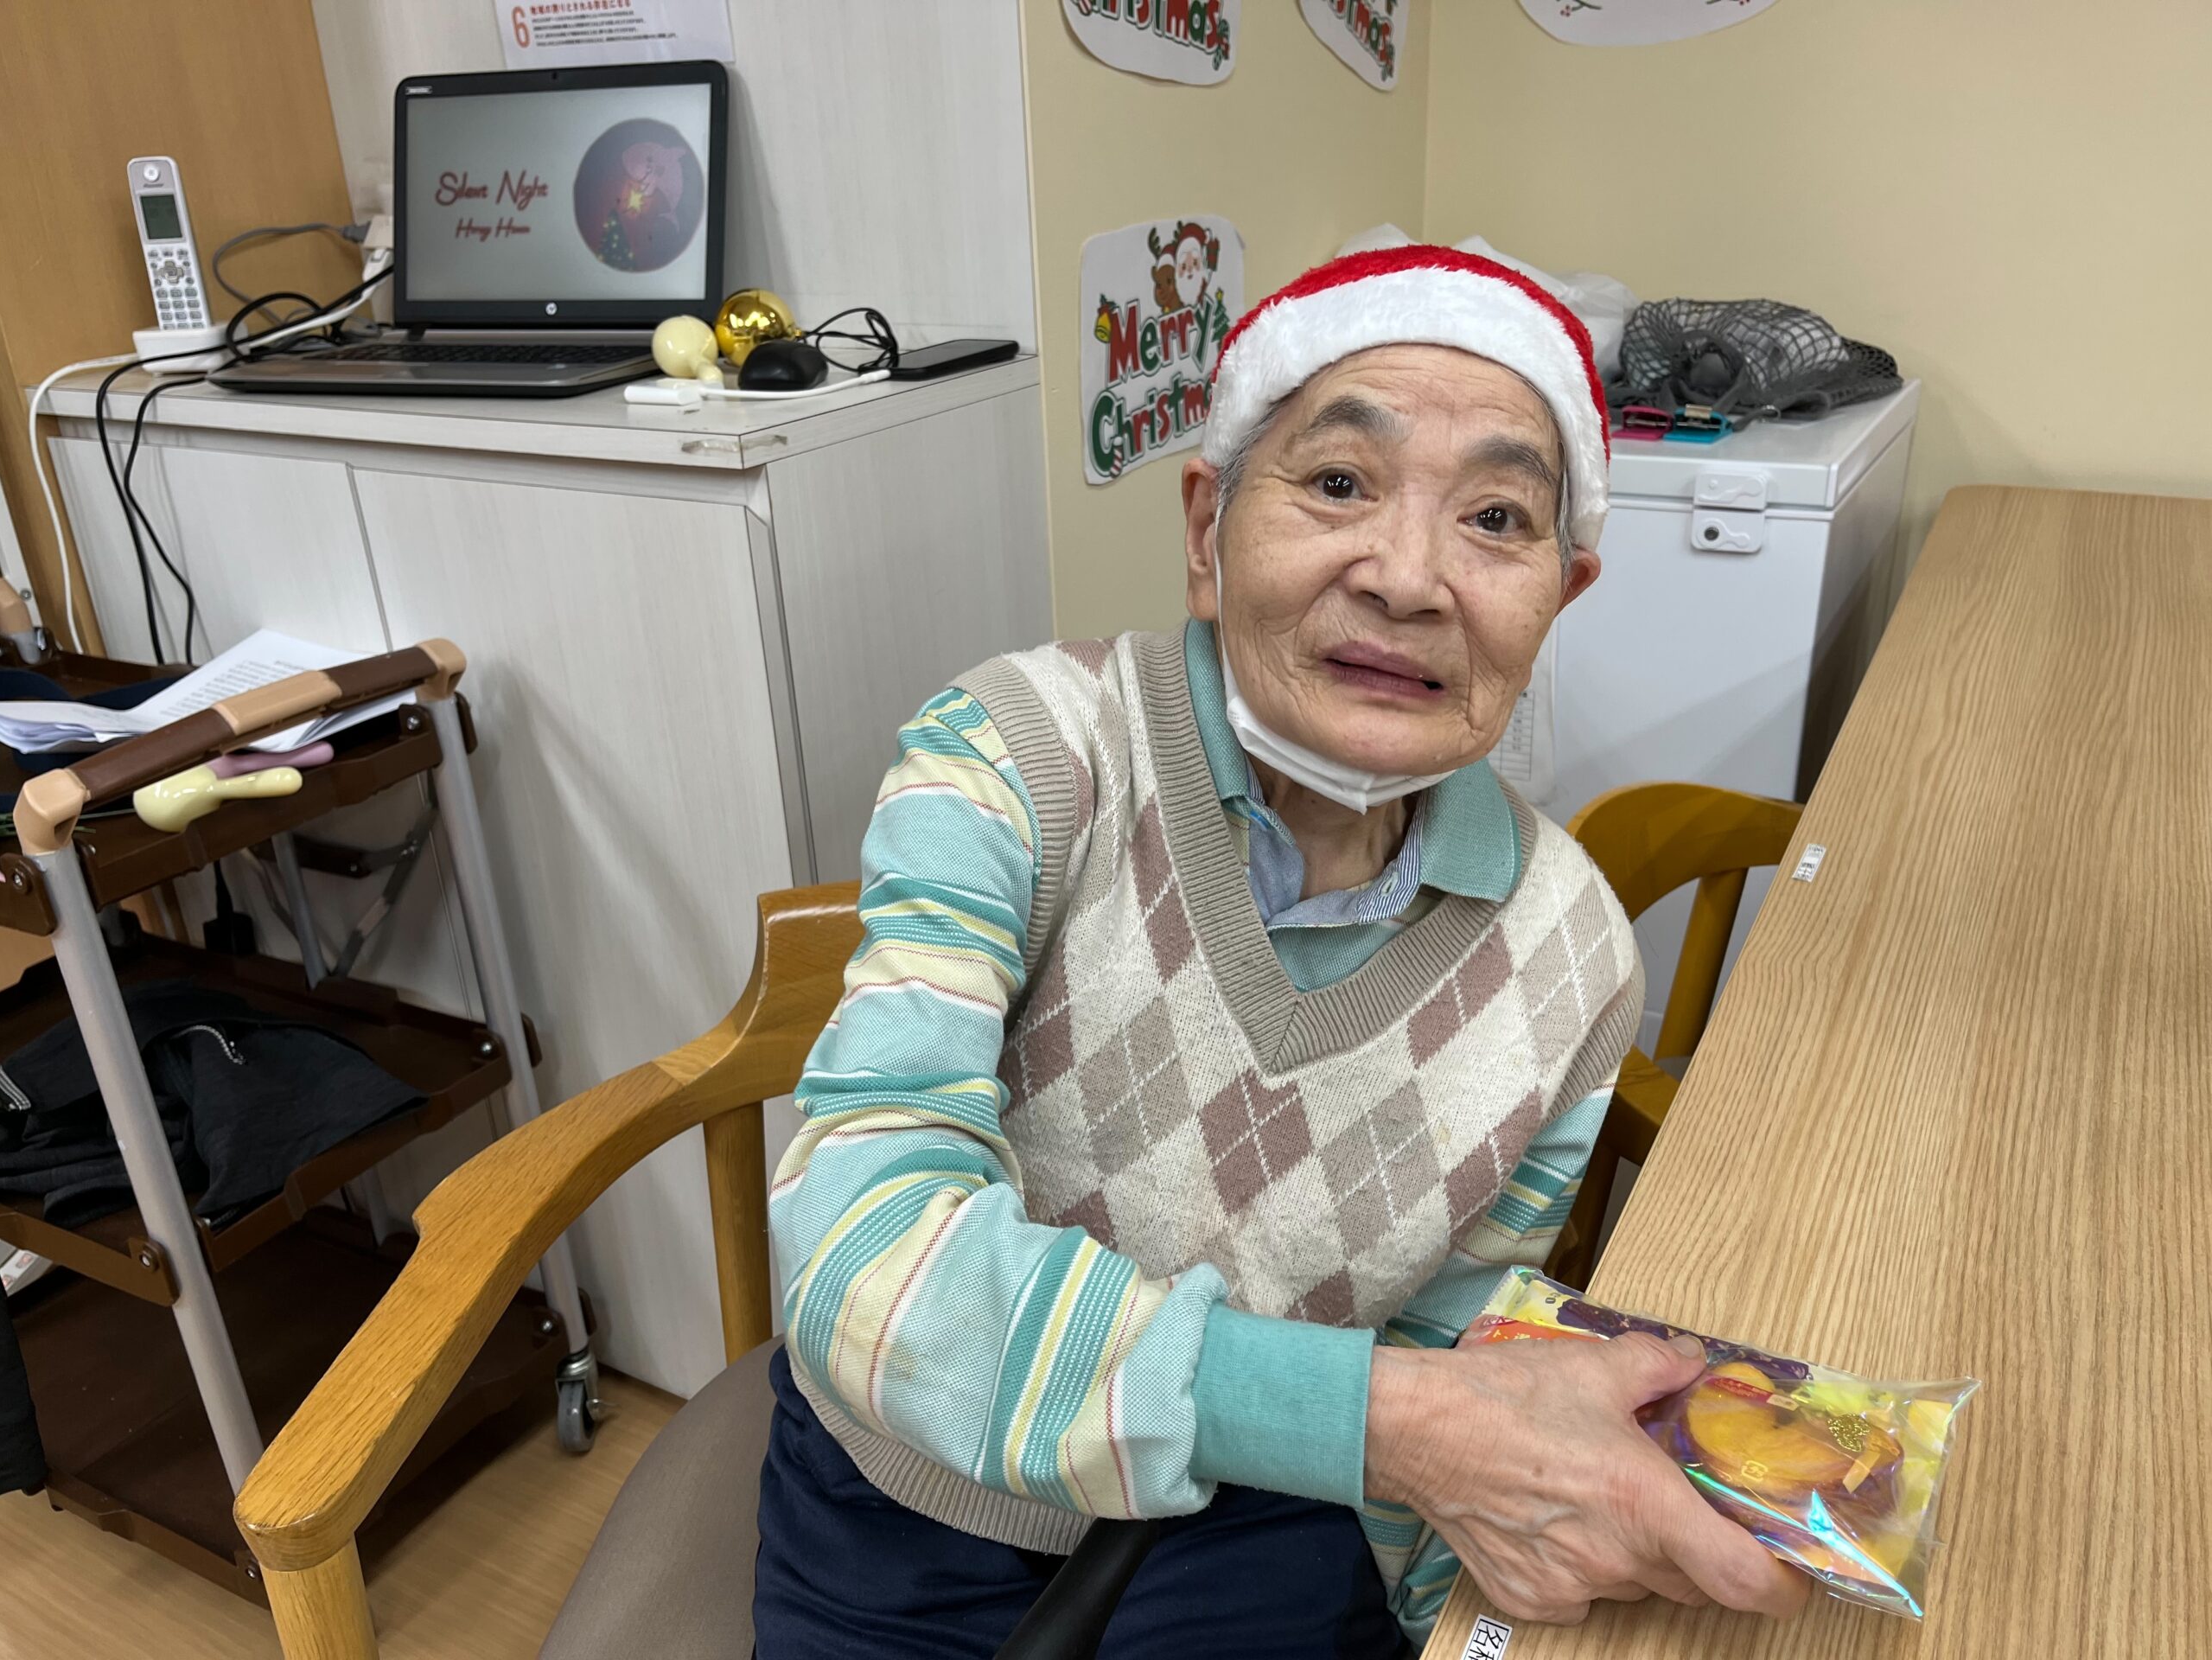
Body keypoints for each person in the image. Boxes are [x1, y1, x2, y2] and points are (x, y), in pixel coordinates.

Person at [755, 246, 1808, 1657]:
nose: (1410, 579)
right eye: (1340, 483)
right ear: (1207, 532)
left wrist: (1470, 1625)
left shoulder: (1573, 955)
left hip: (1260, 1508)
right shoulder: (1019, 755)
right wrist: (1390, 1426)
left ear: (1562, 591)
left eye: (1496, 518)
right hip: (912, 1498)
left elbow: (1448, 1346)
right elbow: (863, 1254)